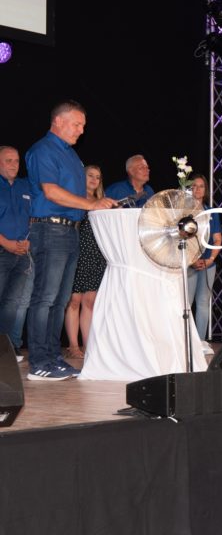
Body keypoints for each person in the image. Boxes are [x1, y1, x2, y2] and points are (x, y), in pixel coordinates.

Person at [25, 100, 115, 381]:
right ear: (58, 121)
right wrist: (91, 204)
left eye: (83, 126)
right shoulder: (43, 150)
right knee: (45, 298)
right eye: (76, 124)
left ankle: (54, 358)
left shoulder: (72, 155)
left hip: (70, 231)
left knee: (61, 299)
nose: (81, 130)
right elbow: (51, 192)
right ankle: (39, 362)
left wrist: (98, 204)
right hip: (50, 230)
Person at [64, 165, 107, 359]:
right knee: (74, 301)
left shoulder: (103, 202)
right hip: (77, 252)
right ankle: (73, 346)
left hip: (96, 255)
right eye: (90, 175)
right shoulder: (74, 199)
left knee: (90, 302)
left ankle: (88, 345)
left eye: (97, 177)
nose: (94, 180)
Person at [0, 146, 32, 361]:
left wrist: (28, 241)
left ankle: (6, 348)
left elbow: (33, 217)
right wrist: (6, 243)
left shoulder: (25, 186)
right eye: (8, 160)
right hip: (2, 250)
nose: (14, 165)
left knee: (13, 304)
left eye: (17, 161)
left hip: (22, 254)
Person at [187, 174, 222, 353]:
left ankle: (200, 342)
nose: (197, 189)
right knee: (187, 303)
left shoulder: (211, 212)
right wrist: (192, 261)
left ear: (206, 189)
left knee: (203, 302)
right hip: (189, 264)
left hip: (208, 264)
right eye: (194, 186)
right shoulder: (184, 212)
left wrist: (210, 259)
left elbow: (218, 239)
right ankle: (186, 341)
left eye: (201, 186)